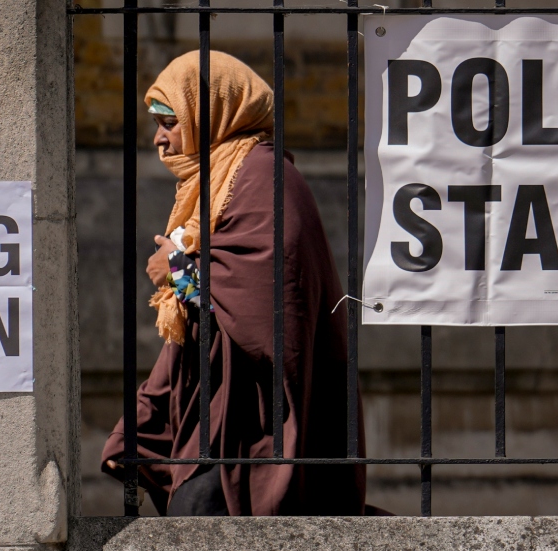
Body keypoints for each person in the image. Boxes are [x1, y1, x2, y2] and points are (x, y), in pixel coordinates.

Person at [101, 50, 366, 516]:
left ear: (211, 114)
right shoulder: (213, 182)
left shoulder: (264, 177)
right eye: (156, 124)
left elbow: (267, 316)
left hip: (259, 418)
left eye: (169, 121)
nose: (159, 141)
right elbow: (212, 311)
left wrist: (177, 269)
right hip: (217, 407)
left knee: (200, 515)